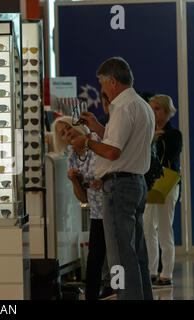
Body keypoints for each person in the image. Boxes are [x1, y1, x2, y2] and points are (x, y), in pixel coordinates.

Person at [71, 57, 155, 300]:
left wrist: (86, 141)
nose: (103, 90)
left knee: (119, 255)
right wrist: (97, 127)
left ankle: (125, 296)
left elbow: (112, 151)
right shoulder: (141, 105)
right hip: (136, 183)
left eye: (103, 84)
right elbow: (120, 143)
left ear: (113, 81)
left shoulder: (121, 107)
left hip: (118, 186)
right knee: (136, 252)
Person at [51, 116, 107, 300]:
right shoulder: (72, 157)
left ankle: (120, 290)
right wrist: (74, 181)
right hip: (97, 212)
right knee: (94, 259)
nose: (68, 133)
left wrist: (103, 180)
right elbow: (82, 198)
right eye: (63, 134)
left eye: (69, 128)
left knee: (117, 257)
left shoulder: (96, 140)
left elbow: (115, 163)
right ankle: (92, 296)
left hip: (114, 207)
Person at [143, 94, 182, 287]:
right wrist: (151, 139)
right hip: (151, 183)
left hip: (168, 183)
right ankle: (151, 270)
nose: (153, 111)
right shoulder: (147, 133)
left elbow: (170, 156)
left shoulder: (174, 134)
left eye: (157, 108)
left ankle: (166, 273)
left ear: (166, 111)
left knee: (165, 229)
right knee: (148, 227)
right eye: (151, 108)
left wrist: (158, 140)